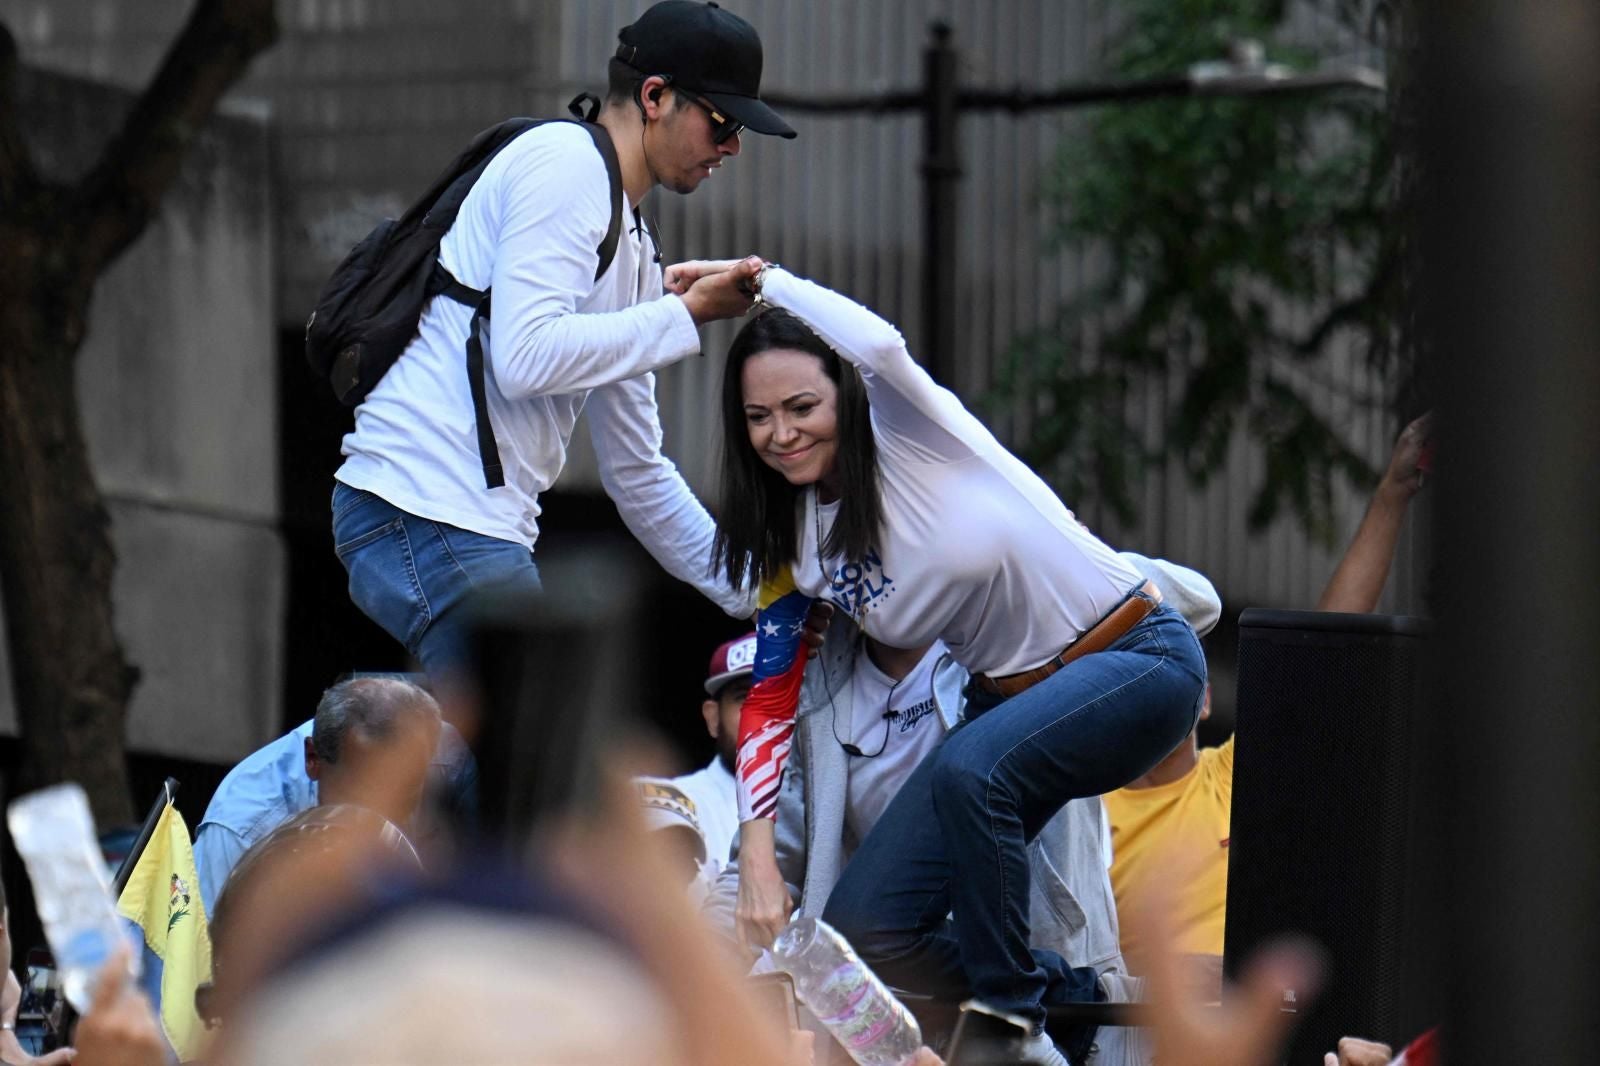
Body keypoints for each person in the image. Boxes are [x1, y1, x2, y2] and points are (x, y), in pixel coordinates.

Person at [699, 261, 1208, 1066]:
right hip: (1006, 711)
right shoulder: (795, 543)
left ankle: (1012, 1034)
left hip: (1138, 656)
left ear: (847, 396)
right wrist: (757, 848)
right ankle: (1064, 995)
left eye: (802, 407)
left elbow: (881, 342)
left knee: (973, 770)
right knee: (863, 934)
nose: (782, 433)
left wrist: (766, 284)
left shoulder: (917, 435)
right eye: (759, 417)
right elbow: (767, 695)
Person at [330, 0, 796, 676]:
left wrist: (763, 595)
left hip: (465, 523)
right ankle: (300, 778)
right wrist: (685, 315)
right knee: (531, 741)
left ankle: (310, 774)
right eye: (721, 121)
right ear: (655, 97)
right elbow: (524, 357)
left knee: (482, 749)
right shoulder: (567, 165)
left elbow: (636, 471)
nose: (732, 147)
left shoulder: (635, 246)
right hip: (420, 504)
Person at [1103, 413, 1433, 976]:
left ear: (1203, 697)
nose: (1148, 684)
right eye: (1129, 666)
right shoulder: (1083, 813)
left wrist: (1393, 492)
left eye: (1168, 666)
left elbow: (1323, 656)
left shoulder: (1238, 777)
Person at [194, 677, 442, 907]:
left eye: (403, 790)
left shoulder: (449, 766)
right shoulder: (242, 829)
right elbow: (212, 947)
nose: (382, 812)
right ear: (313, 759)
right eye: (365, 796)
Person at [638, 631, 756, 894]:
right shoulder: (669, 799)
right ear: (713, 718)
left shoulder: (843, 812)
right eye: (744, 697)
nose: (763, 713)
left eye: (782, 696)